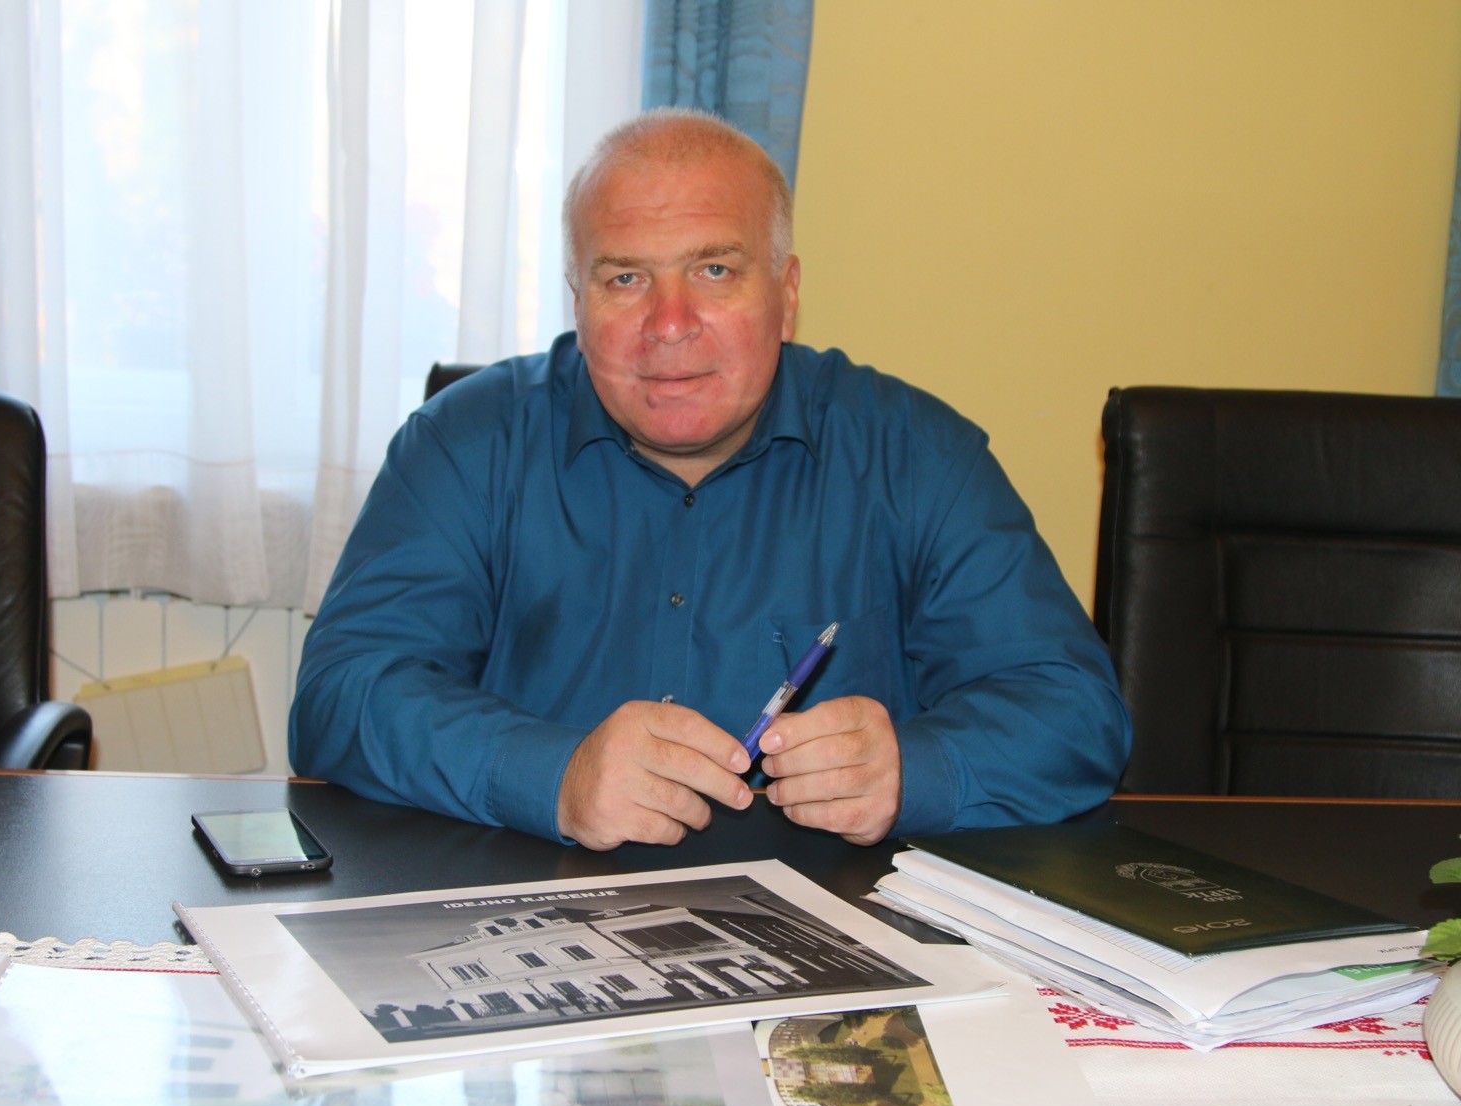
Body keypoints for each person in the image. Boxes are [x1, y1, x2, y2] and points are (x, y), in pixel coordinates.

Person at [291, 108, 1130, 851]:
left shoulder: (916, 455)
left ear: (787, 294)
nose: (669, 324)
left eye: (715, 271)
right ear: (578, 299)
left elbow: (1074, 712)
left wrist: (913, 771)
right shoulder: (464, 444)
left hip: (836, 929)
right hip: (527, 911)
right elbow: (343, 692)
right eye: (626, 278)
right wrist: (555, 775)